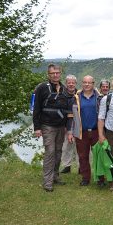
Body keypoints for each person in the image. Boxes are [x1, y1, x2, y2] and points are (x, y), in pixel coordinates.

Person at [33, 64, 73, 192]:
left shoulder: (64, 89)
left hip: (61, 126)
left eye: (57, 73)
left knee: (58, 152)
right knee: (50, 152)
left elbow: (68, 110)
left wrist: (68, 127)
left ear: (60, 73)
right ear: (48, 74)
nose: (55, 75)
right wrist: (37, 128)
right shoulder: (42, 88)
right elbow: (36, 108)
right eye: (52, 73)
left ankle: (55, 176)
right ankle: (47, 181)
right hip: (47, 126)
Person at [70, 75, 102, 186]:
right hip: (81, 132)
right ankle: (85, 178)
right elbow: (72, 116)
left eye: (89, 82)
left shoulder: (99, 98)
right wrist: (70, 131)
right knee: (83, 156)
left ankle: (100, 178)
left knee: (99, 156)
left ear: (93, 84)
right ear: (81, 83)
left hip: (96, 131)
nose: (86, 84)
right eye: (84, 82)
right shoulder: (76, 98)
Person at [60, 74, 79, 174]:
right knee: (66, 146)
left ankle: (81, 166)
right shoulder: (62, 95)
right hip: (65, 124)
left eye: (73, 82)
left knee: (80, 147)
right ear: (66, 84)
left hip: (78, 124)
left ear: (76, 83)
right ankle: (67, 166)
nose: (71, 84)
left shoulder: (79, 95)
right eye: (69, 82)